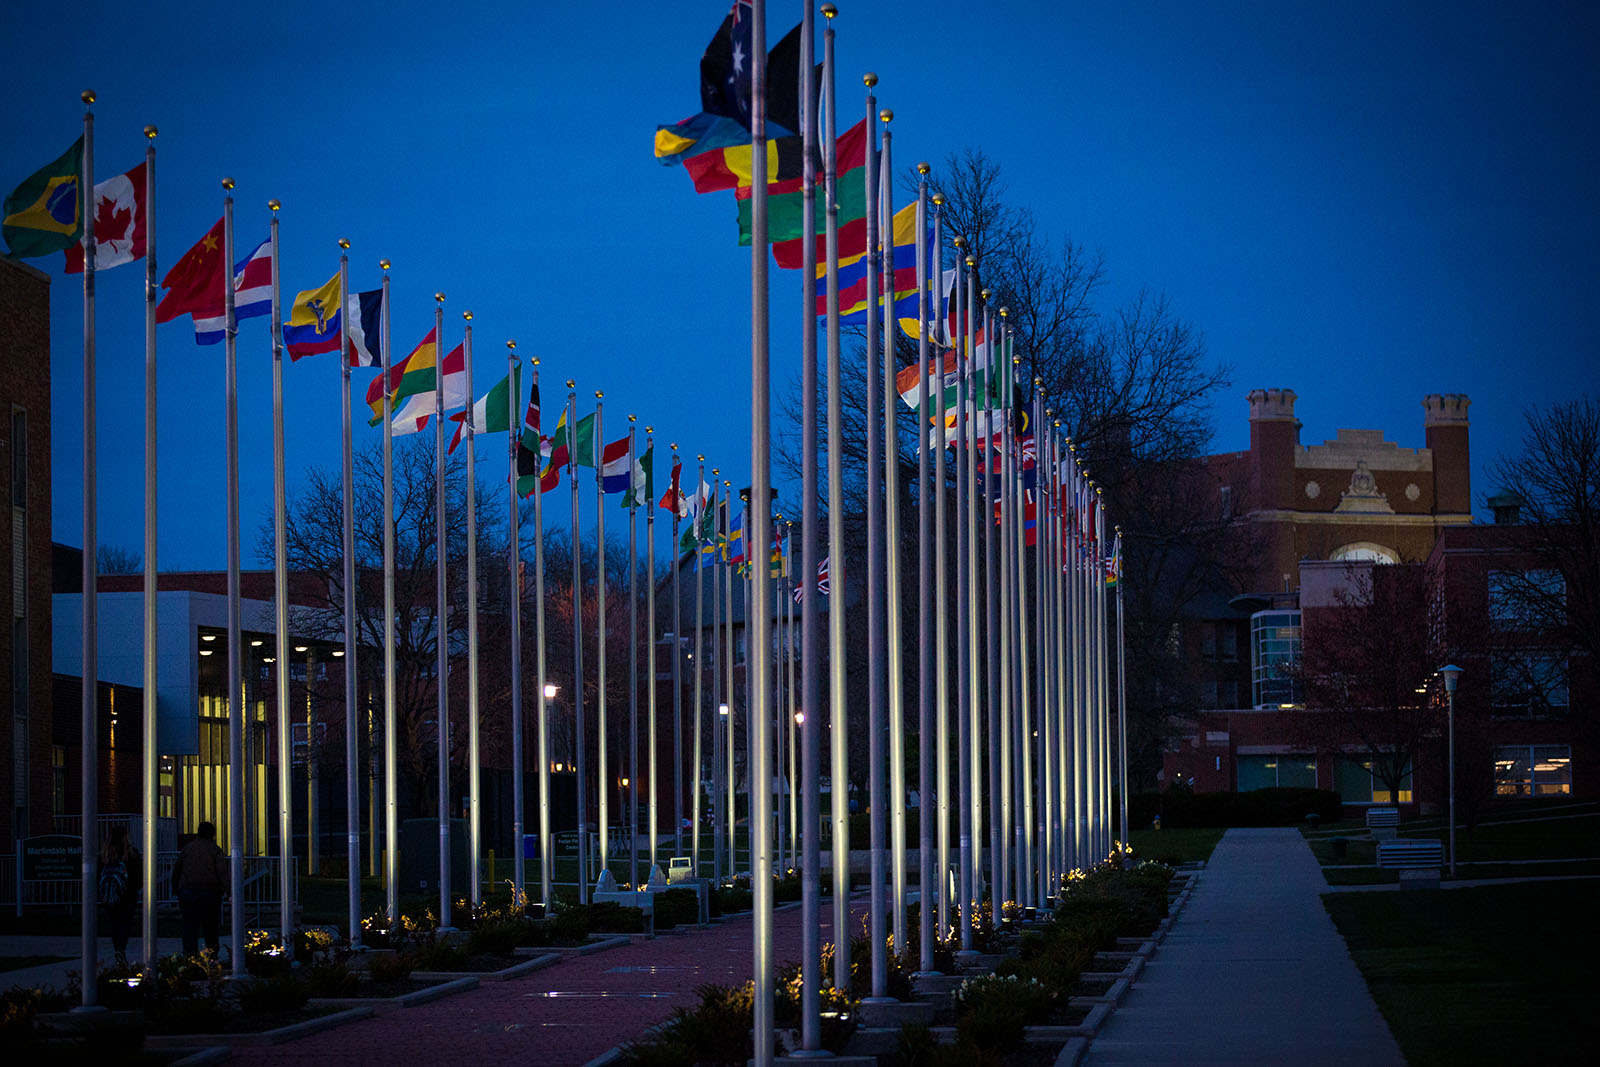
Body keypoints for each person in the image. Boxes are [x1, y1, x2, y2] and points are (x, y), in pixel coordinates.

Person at [171, 820, 228, 957]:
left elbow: (177, 870)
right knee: (211, 926)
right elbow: (222, 873)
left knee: (189, 926)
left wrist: (175, 889)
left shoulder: (187, 849)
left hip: (188, 891)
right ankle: (212, 955)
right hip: (210, 892)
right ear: (212, 834)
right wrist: (228, 890)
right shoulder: (215, 850)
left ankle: (190, 956)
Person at [98, 825, 140, 958]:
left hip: (110, 895)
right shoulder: (131, 854)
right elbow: (139, 875)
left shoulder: (105, 855)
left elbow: (98, 875)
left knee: (114, 923)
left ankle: (117, 948)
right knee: (125, 923)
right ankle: (121, 949)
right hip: (128, 895)